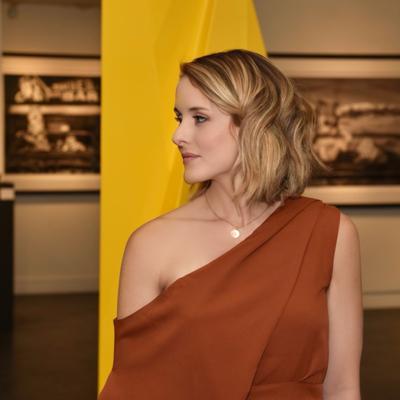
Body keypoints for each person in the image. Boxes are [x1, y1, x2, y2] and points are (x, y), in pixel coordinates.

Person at [98, 49, 363, 400]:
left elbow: (343, 387)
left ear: (254, 122)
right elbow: (134, 387)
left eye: (199, 118)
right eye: (179, 117)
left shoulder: (330, 232)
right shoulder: (150, 243)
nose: (178, 135)